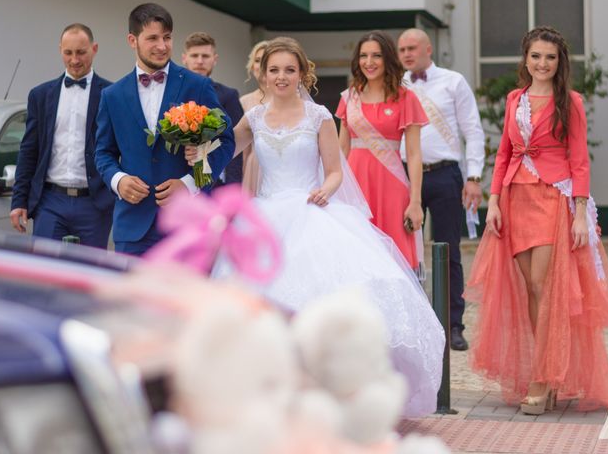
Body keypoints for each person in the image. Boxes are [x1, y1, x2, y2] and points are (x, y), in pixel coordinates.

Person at [186, 37, 444, 417]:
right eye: (274, 70)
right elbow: (224, 153)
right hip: (267, 217)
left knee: (317, 305)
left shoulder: (319, 116)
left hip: (311, 212)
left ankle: (323, 393)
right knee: (263, 309)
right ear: (263, 73)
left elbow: (337, 170)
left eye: (289, 69)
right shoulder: (253, 117)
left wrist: (325, 189)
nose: (281, 76)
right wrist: (197, 158)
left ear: (301, 73)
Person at [467, 26, 608, 414]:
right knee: (529, 290)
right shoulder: (514, 99)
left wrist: (581, 213)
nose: (542, 63)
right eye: (536, 56)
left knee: (543, 285)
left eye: (550, 57)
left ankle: (542, 377)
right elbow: (503, 154)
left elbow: (579, 159)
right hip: (516, 199)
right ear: (525, 59)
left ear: (560, 62)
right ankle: (549, 370)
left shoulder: (569, 101)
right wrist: (495, 202)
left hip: (554, 198)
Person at [95, 3, 235, 256]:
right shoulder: (112, 95)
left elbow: (225, 141)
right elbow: (102, 153)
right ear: (132, 40)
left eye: (167, 37)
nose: (162, 46)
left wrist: (191, 183)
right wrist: (119, 180)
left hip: (187, 225)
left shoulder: (198, 85)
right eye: (152, 38)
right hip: (132, 228)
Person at [397, 28, 486, 351]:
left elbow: (473, 131)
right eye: (402, 49)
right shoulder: (397, 84)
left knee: (448, 251)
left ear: (428, 48)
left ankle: (453, 325)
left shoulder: (453, 81)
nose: (406, 54)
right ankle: (415, 323)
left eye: (412, 48)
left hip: (446, 174)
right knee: (406, 251)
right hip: (406, 177)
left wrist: (474, 176)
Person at [10, 23, 114, 248]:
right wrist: (19, 200)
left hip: (94, 204)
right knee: (45, 274)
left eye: (81, 52)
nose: (74, 60)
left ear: (94, 49)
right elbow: (29, 150)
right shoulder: (40, 95)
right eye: (68, 53)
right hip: (50, 202)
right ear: (60, 50)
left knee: (90, 275)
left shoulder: (111, 94)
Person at [336, 31, 427, 274]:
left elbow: (415, 154)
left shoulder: (406, 98)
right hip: (355, 186)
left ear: (387, 58)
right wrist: (332, 190)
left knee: (394, 262)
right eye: (364, 56)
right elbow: (341, 149)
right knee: (356, 258)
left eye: (376, 55)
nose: (369, 62)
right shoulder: (349, 98)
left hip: (391, 187)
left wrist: (415, 201)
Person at [182, 32, 244, 184]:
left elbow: (235, 143)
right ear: (184, 58)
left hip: (216, 181)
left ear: (215, 59)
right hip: (177, 181)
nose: (200, 61)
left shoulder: (229, 95)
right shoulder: (172, 93)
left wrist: (232, 188)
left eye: (205, 56)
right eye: (194, 55)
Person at [240, 40, 269, 193]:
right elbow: (242, 150)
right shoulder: (244, 101)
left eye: (266, 59)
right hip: (254, 166)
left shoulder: (296, 100)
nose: (262, 64)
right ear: (252, 67)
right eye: (257, 60)